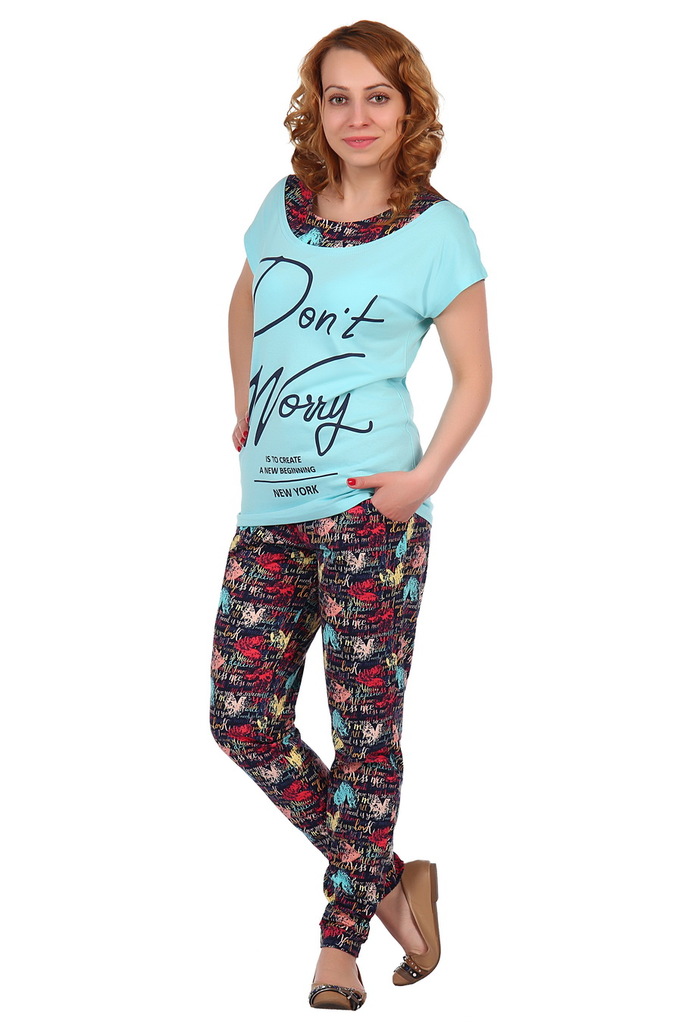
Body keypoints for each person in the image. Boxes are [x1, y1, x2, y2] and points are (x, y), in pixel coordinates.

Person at [210, 19, 491, 1011]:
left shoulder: (437, 230)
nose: (357, 116)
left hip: (375, 515)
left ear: (407, 108)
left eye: (378, 96)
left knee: (365, 729)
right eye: (339, 97)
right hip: (269, 513)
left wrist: (422, 481)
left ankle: (342, 942)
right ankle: (392, 881)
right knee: (241, 717)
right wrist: (246, 400)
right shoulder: (281, 207)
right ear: (316, 109)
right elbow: (245, 299)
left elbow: (475, 377)